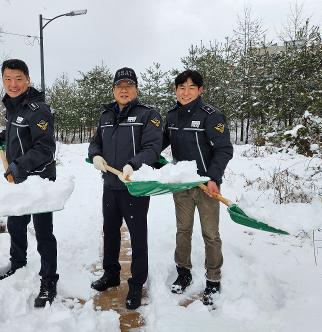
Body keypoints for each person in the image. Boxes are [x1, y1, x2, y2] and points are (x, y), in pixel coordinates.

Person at [88, 67, 163, 310]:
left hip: (135, 188)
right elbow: (95, 142)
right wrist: (96, 155)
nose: (123, 89)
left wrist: (134, 163)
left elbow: (152, 148)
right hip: (110, 185)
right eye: (119, 86)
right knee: (110, 233)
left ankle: (136, 284)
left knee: (138, 237)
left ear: (136, 89)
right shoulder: (106, 115)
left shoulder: (147, 115)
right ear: (113, 90)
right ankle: (110, 275)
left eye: (128, 85)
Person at [0, 59, 58, 308]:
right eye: (7, 79)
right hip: (18, 179)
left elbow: (45, 148)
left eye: (18, 78)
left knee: (43, 232)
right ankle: (18, 262)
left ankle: (49, 280)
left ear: (28, 80)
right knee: (16, 224)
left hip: (39, 179)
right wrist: (2, 137)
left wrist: (17, 166)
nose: (13, 84)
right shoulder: (13, 105)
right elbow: (19, 132)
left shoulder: (38, 108)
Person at [162, 69, 233, 305]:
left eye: (191, 87)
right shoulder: (172, 116)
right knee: (183, 230)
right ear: (175, 90)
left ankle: (213, 279)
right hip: (182, 183)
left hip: (206, 186)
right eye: (181, 87)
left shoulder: (211, 116)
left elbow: (224, 149)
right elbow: (159, 143)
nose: (186, 92)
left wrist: (213, 177)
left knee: (210, 234)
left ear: (200, 90)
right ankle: (183, 272)